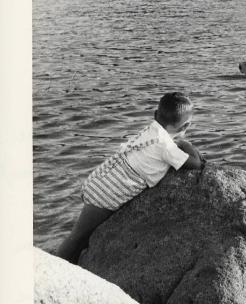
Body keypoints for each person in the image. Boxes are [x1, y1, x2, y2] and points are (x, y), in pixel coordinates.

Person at [56, 92, 205, 263]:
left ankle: (69, 263)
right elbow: (196, 164)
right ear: (185, 126)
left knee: (81, 235)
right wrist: (186, 144)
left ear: (156, 115)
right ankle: (57, 267)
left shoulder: (152, 130)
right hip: (108, 192)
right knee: (78, 236)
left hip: (103, 179)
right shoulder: (167, 148)